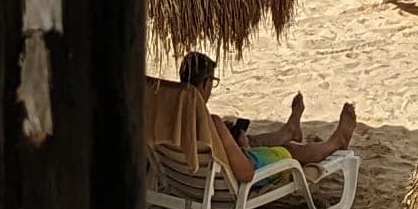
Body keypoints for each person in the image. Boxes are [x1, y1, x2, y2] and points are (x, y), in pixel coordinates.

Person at [151, 50, 358, 188]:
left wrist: (228, 138)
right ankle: (335, 142)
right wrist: (242, 149)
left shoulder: (164, 119)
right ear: (205, 83)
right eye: (213, 82)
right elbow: (245, 173)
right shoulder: (211, 123)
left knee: (248, 138)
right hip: (222, 182)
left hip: (187, 181)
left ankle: (288, 131)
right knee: (290, 151)